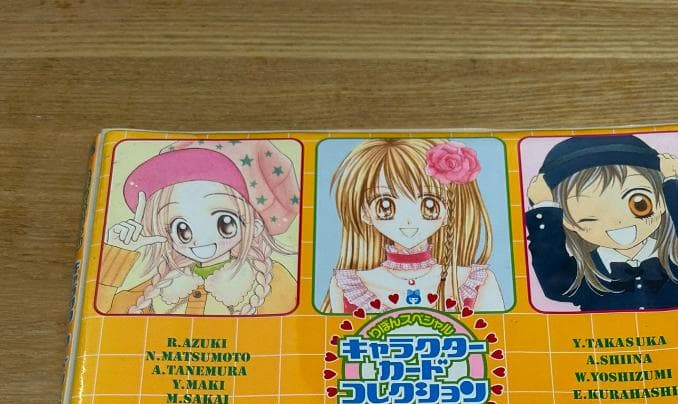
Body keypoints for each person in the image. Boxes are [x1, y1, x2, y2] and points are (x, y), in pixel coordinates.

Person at [525, 134, 678, 312]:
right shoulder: (582, 275)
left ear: (662, 201)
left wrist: (677, 183)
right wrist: (544, 209)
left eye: (639, 204)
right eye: (589, 214)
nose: (617, 220)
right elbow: (555, 284)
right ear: (569, 222)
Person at [97, 140, 299, 315]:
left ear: (254, 226)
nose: (200, 239)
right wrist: (117, 254)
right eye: (182, 229)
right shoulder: (162, 288)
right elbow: (103, 316)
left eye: (224, 223)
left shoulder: (270, 282)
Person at [325, 138, 504, 313]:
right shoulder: (347, 287)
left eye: (429, 204)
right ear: (365, 212)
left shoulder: (475, 283)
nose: (409, 220)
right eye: (385, 205)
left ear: (449, 211)